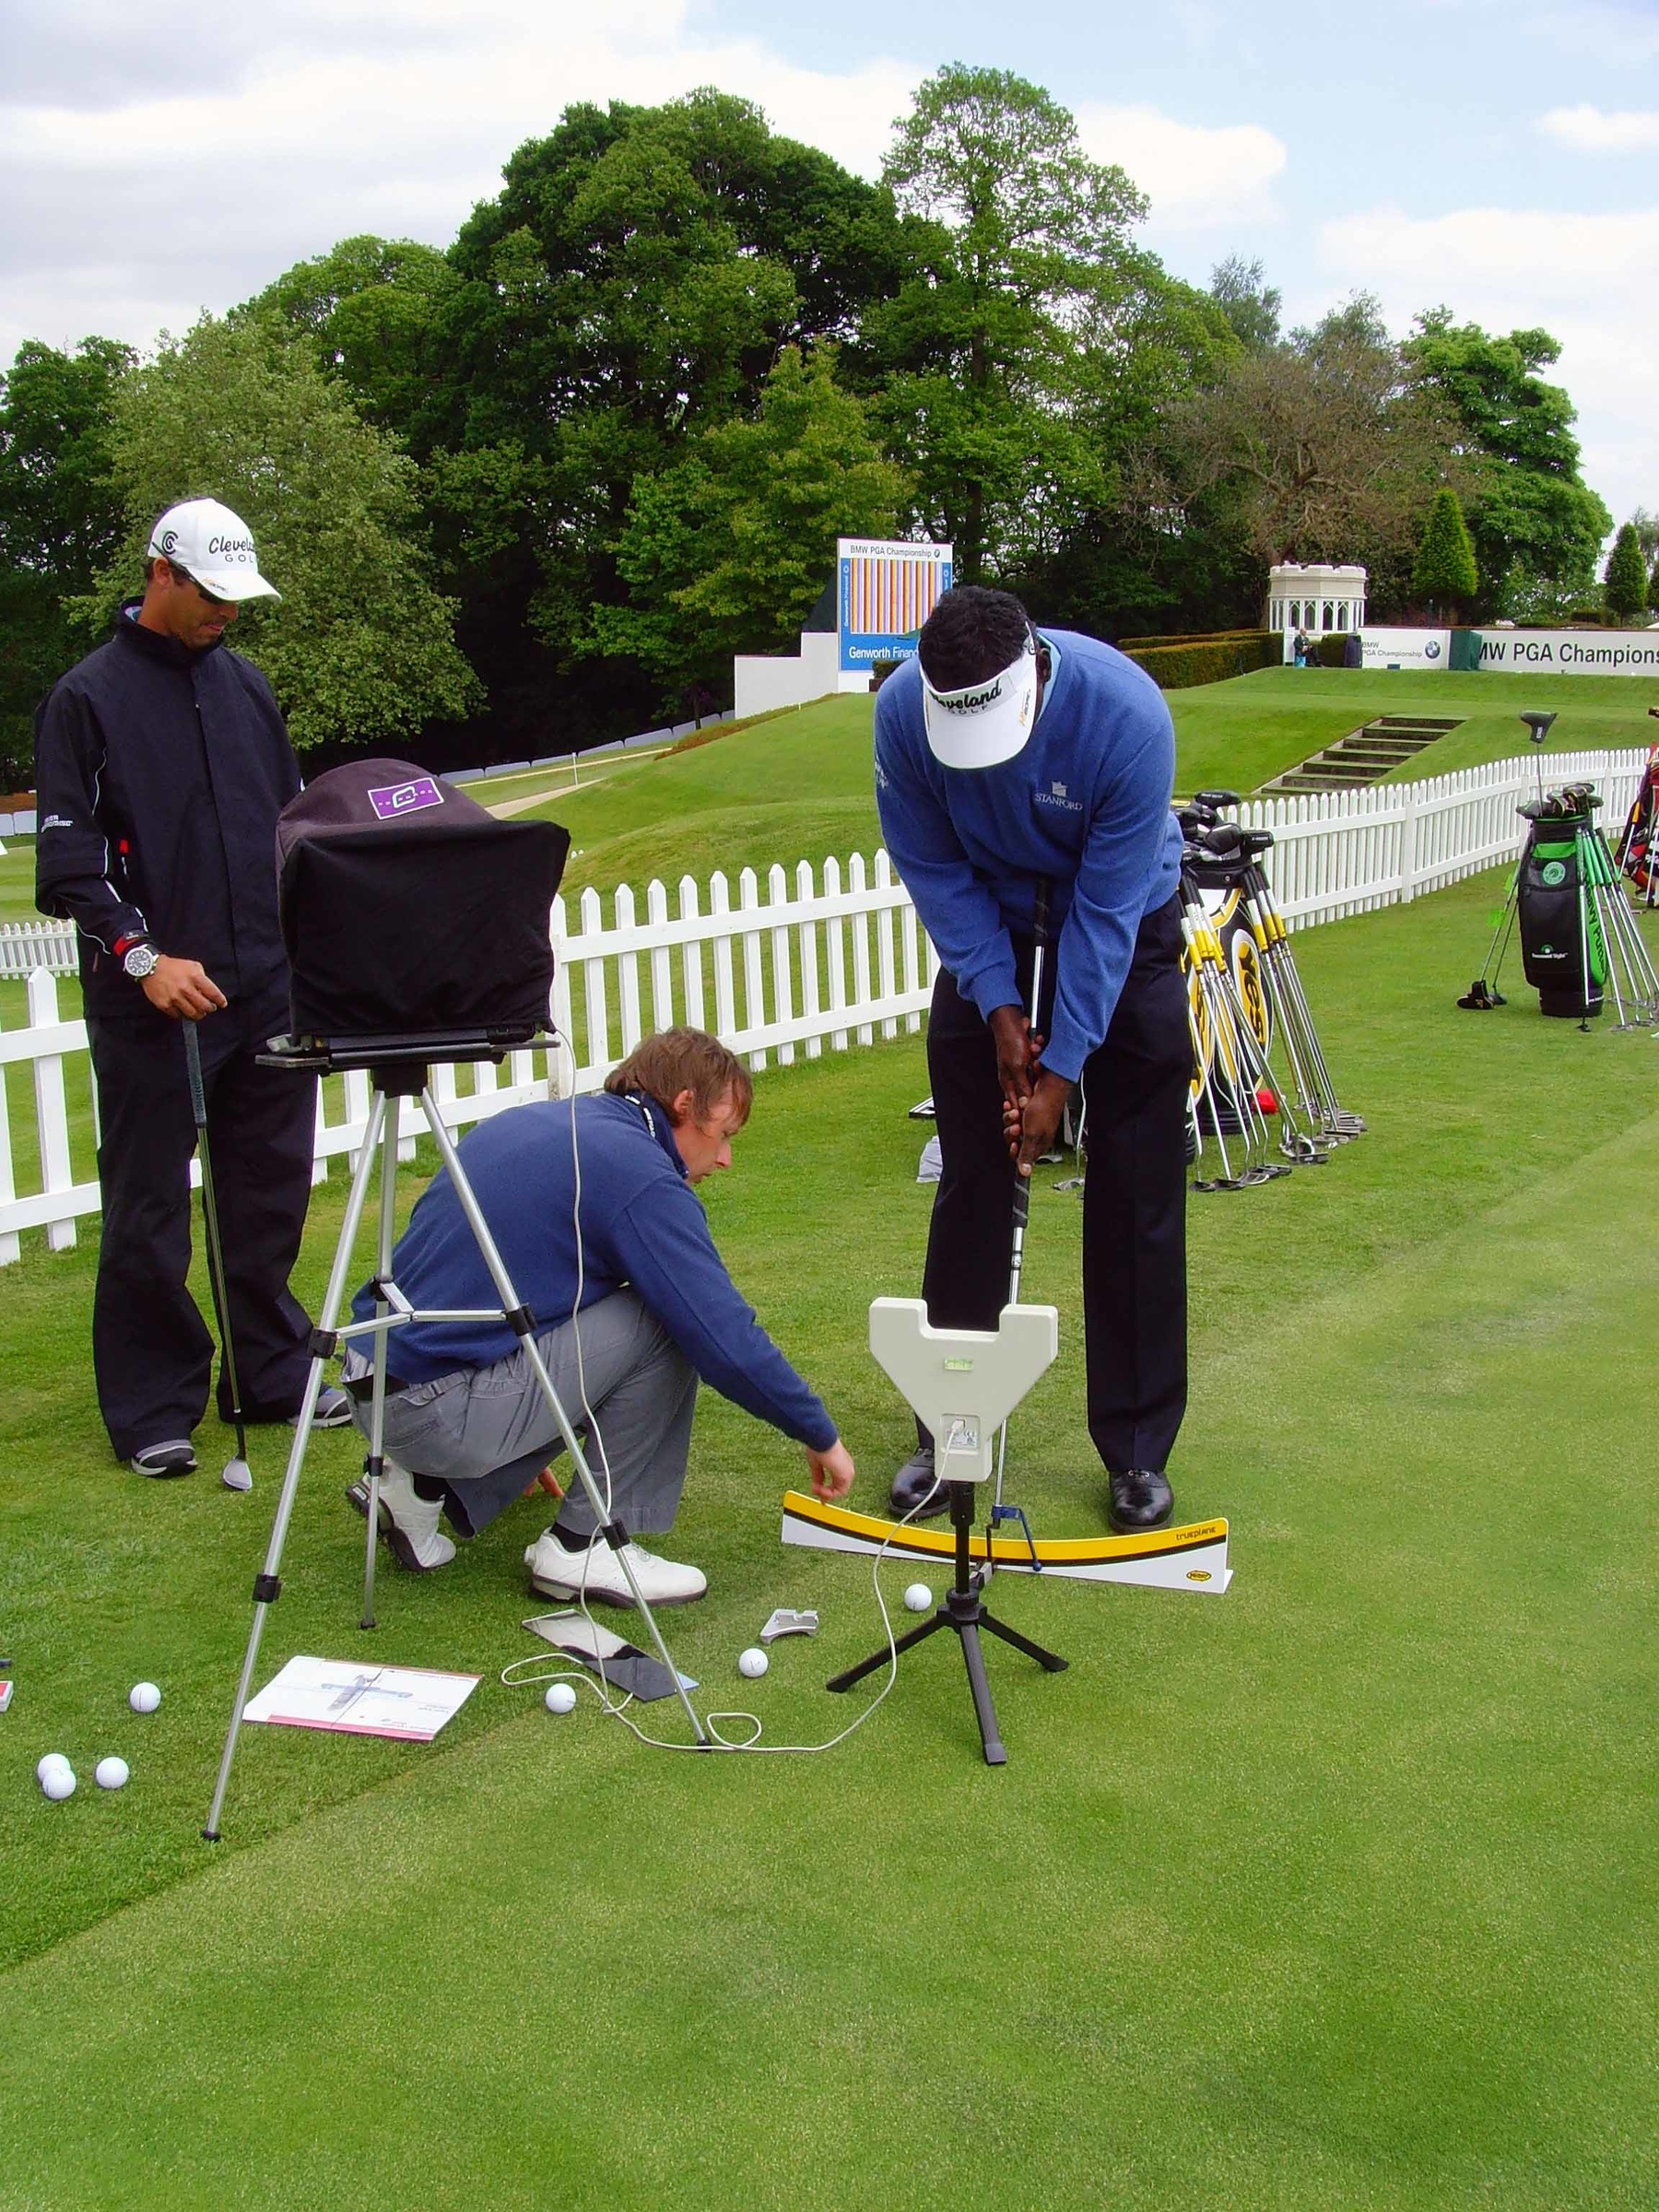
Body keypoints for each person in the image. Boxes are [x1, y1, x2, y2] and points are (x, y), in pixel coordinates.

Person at [33, 498, 349, 1476]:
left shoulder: (247, 686)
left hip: (264, 985)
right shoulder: (85, 699)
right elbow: (71, 864)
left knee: (269, 1191)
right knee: (148, 1207)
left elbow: (291, 827)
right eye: (212, 594)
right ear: (160, 574)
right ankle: (152, 1406)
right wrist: (142, 956)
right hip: (153, 998)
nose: (227, 612)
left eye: (237, 597)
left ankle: (270, 1371)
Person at [874, 585, 1189, 1533]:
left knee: (1134, 1181)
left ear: (1034, 675)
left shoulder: (1127, 716)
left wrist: (1062, 1072)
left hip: (1126, 923)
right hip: (992, 928)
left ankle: (1137, 1447)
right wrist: (998, 1005)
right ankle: (951, 1425)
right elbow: (934, 869)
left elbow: (1105, 915)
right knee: (974, 1175)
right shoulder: (903, 712)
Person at [339, 1027, 856, 1605]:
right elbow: (720, 1332)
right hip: (434, 1406)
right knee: (666, 1320)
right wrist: (818, 1432)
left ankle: (420, 1488)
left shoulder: (548, 1120)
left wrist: (524, 1422)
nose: (726, 1158)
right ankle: (583, 1545)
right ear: (685, 1103)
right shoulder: (640, 1173)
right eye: (724, 1133)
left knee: (614, 1301)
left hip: (374, 1377)